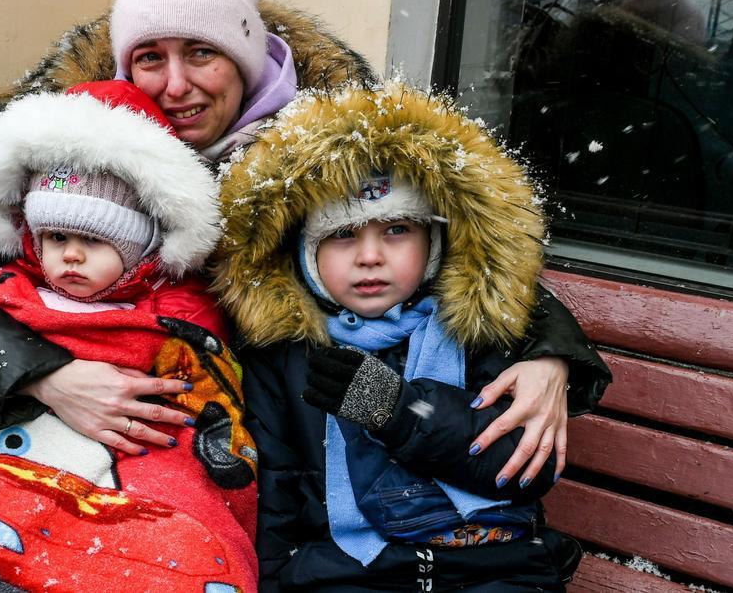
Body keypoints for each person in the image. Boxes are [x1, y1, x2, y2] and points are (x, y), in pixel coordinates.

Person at [0, 0, 606, 506]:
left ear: (244, 54)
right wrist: (42, 374)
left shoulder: (323, 146)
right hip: (94, 416)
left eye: (201, 52)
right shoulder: (88, 146)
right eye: (150, 57)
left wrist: (547, 351)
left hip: (253, 442)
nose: (175, 85)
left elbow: (452, 248)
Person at [0, 81, 257, 591]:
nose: (70, 255)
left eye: (94, 240)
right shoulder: (6, 293)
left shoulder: (175, 318)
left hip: (118, 472)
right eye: (56, 238)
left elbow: (193, 415)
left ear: (143, 245)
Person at [214, 83, 588, 591]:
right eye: (343, 235)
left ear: (433, 243)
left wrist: (399, 410)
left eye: (396, 230)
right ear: (306, 256)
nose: (370, 256)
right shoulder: (285, 356)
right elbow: (274, 491)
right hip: (350, 568)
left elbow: (521, 468)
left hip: (491, 563)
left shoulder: (476, 330)